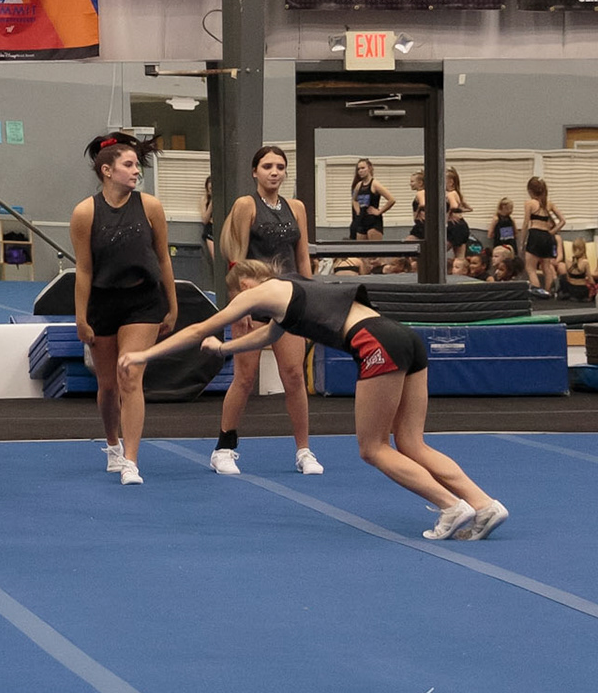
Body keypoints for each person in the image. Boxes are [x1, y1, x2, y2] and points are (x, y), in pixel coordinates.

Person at [121, 263, 508, 541]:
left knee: (373, 448)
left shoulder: (260, 292)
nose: (241, 306)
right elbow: (266, 337)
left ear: (245, 282)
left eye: (237, 296)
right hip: (402, 337)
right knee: (411, 442)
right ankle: (484, 504)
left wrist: (144, 355)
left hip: (374, 343)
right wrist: (224, 348)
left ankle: (450, 506)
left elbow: (198, 328)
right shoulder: (293, 291)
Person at [69, 133, 176, 487]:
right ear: (107, 170)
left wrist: (172, 305)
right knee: (108, 386)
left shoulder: (150, 207)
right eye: (128, 165)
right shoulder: (85, 213)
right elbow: (84, 269)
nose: (136, 171)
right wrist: (81, 317)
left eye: (136, 165)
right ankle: (112, 443)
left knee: (130, 375)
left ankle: (131, 460)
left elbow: (163, 258)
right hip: (103, 301)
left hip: (143, 300)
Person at [215, 145, 321, 477]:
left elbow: (302, 257)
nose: (274, 172)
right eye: (267, 166)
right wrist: (238, 302)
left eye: (280, 167)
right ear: (255, 172)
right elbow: (235, 256)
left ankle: (304, 450)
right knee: (245, 378)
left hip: (288, 301)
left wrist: (310, 300)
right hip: (254, 302)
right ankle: (224, 448)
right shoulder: (246, 205)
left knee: (294, 376)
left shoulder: (297, 208)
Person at [348, 159, 394, 274]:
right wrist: (358, 210)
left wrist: (379, 211)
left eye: (363, 168)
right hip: (362, 220)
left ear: (369, 168)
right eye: (358, 169)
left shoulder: (375, 184)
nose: (360, 171)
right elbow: (354, 200)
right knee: (362, 255)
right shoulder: (359, 185)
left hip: (373, 221)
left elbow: (391, 199)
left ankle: (381, 273)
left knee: (376, 254)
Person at [523, 177, 565, 296]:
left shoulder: (530, 203)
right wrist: (551, 232)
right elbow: (563, 221)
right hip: (546, 236)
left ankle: (538, 292)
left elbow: (526, 223)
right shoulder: (548, 204)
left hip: (535, 235)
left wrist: (522, 241)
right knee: (546, 267)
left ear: (530, 191)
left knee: (530, 268)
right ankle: (548, 292)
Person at [445, 168, 473, 261]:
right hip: (461, 225)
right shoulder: (457, 193)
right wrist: (459, 211)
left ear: (451, 182)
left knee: (437, 251)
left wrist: (448, 215)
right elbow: (469, 208)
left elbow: (454, 206)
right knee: (459, 258)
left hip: (455, 227)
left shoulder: (450, 194)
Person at [200, 176, 215, 264]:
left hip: (223, 228)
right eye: (210, 189)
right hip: (210, 230)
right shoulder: (205, 200)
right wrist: (211, 204)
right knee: (215, 258)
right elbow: (205, 220)